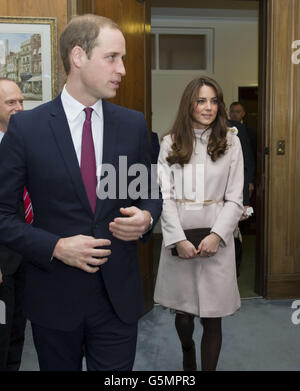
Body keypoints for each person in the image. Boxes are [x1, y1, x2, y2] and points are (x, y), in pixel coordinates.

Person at [0, 14, 162, 371]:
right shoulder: (27, 129)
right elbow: (3, 217)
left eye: (123, 59)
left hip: (117, 298)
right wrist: (55, 247)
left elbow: (150, 192)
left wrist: (147, 217)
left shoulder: (132, 124)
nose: (122, 69)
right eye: (112, 57)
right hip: (54, 297)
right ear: (78, 56)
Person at [154, 76, 244, 371]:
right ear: (189, 104)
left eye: (214, 100)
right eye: (201, 100)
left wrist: (218, 235)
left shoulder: (231, 141)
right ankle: (187, 348)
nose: (208, 107)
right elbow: (164, 197)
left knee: (212, 317)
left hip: (217, 237)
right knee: (183, 315)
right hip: (181, 234)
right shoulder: (171, 141)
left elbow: (235, 198)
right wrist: (177, 238)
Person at [0, 78, 27, 371]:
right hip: (1, 260)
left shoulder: (26, 142)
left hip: (27, 257)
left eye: (21, 101)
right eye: (11, 103)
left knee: (18, 333)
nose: (20, 108)